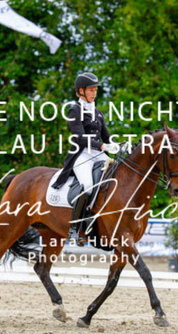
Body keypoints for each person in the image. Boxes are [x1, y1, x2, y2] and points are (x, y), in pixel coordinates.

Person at [52, 73, 126, 246]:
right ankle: (74, 229)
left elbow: (106, 136)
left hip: (99, 156)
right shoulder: (74, 110)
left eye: (95, 90)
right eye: (91, 90)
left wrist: (118, 145)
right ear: (81, 91)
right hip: (82, 155)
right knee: (87, 186)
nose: (94, 93)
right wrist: (102, 146)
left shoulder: (98, 113)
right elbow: (79, 138)